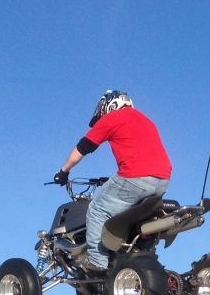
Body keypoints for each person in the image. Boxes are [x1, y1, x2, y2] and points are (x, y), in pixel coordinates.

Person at [54, 90, 172, 273]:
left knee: (96, 210)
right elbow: (143, 153)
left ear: (111, 103)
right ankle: (136, 254)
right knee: (132, 221)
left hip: (135, 177)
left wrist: (63, 171)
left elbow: (83, 147)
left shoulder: (114, 118)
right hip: (162, 180)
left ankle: (97, 261)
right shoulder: (146, 120)